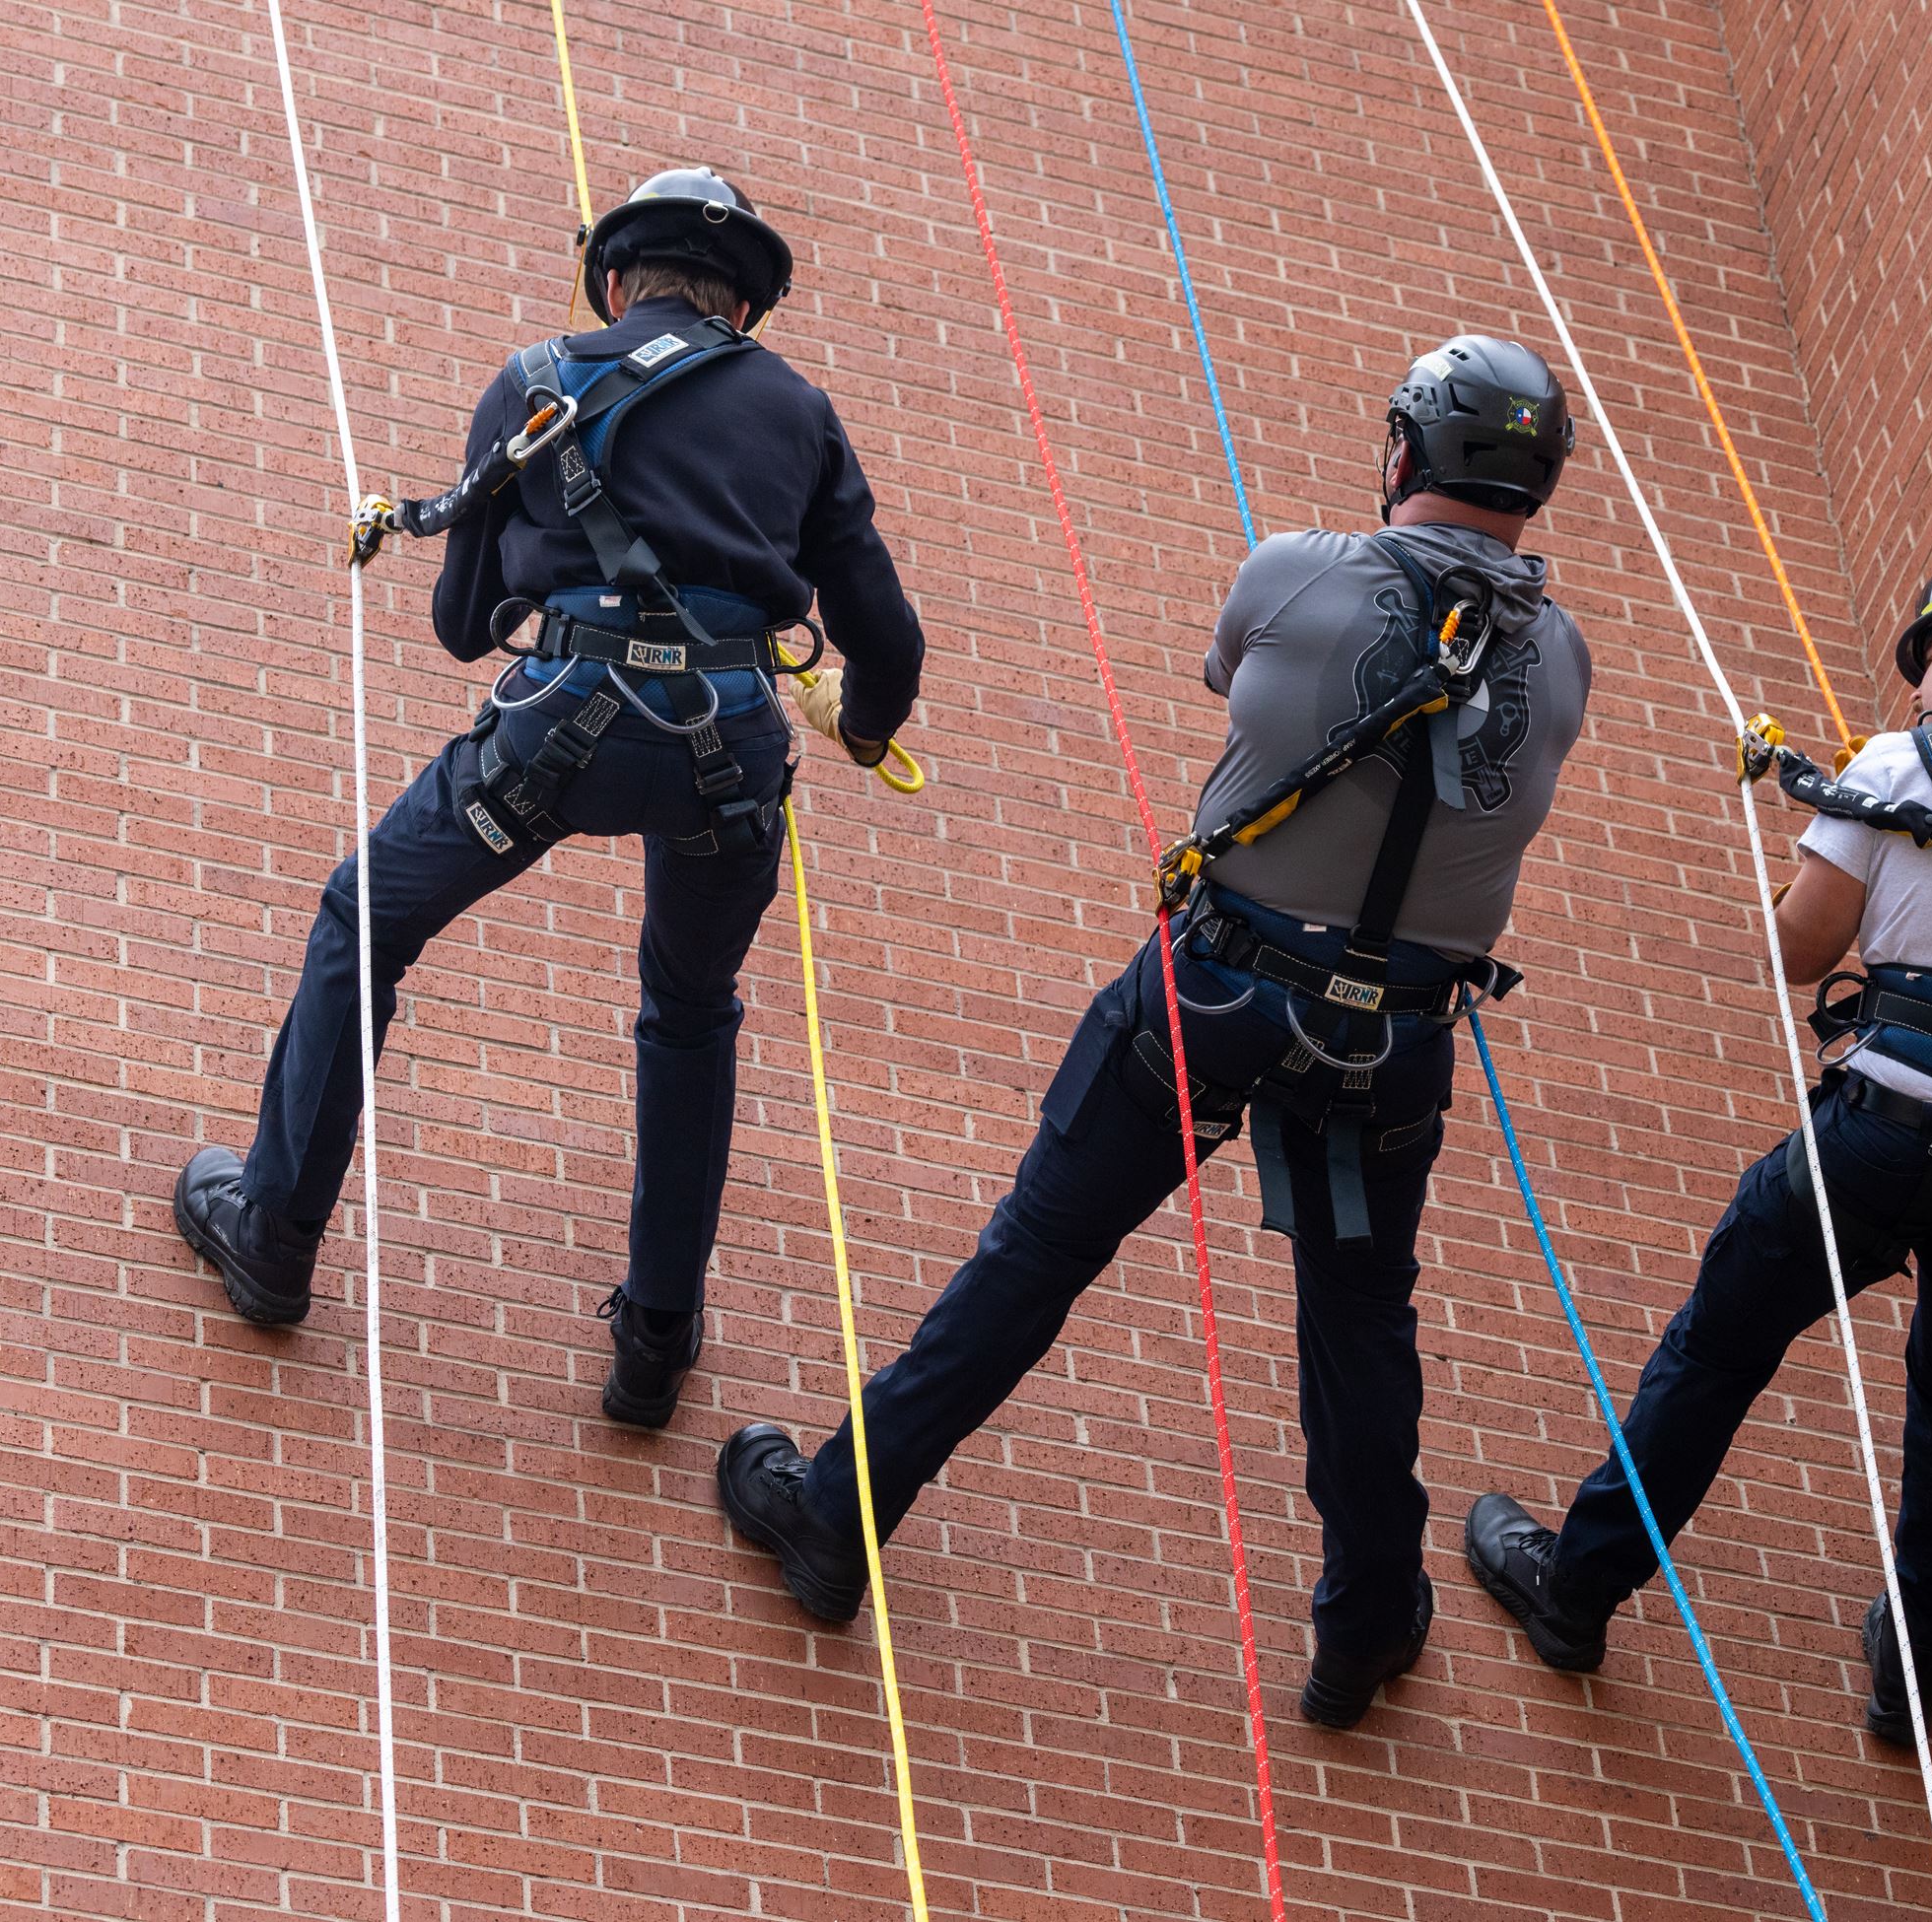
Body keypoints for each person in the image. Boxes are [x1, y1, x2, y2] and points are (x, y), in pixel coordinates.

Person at [714, 336, 1591, 1729]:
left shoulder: (1300, 567)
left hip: (1219, 992)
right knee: (1357, 1321)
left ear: (1403, 454)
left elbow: (1228, 674)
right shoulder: (1565, 659)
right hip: (1391, 1040)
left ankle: (840, 1512)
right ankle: (1366, 1624)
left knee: (1040, 1251)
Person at [172, 167, 925, 1430]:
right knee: (689, 1016)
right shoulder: (800, 414)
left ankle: (275, 1236)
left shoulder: (538, 380)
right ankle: (654, 1347)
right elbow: (887, 640)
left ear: (617, 281)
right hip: (730, 754)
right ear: (741, 308)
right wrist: (856, 726)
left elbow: (464, 627)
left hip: (557, 733)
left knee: (369, 918)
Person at [1465, 517, 1932, 1746]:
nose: (1915, 682)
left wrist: (1814, 830)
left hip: (1885, 1132)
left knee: (1716, 1349)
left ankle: (1575, 1590)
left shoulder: (1896, 766)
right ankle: (1914, 1670)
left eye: (1929, 656)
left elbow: (1799, 951)